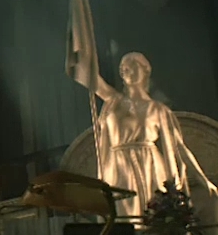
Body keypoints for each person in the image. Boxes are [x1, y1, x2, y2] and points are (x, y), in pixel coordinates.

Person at [90, 51, 217, 218]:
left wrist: (203, 180)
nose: (128, 71)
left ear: (145, 70)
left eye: (133, 66)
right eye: (124, 68)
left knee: (155, 216)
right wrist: (82, 45)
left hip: (151, 168)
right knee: (123, 217)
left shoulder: (159, 110)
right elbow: (88, 76)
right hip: (119, 168)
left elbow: (178, 148)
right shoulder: (113, 102)